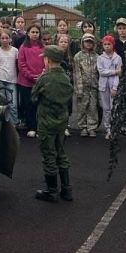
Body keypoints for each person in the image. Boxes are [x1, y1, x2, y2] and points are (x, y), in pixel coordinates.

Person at [31, 45, 74, 202]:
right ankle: (67, 190)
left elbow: (34, 97)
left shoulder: (45, 78)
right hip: (61, 120)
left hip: (46, 120)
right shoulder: (65, 77)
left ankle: (52, 190)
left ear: (48, 60)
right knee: (60, 152)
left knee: (48, 155)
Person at [17, 24, 45, 137]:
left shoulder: (43, 47)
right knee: (29, 105)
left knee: (40, 105)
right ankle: (31, 127)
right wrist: (31, 76)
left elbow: (46, 63)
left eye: (37, 32)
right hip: (26, 82)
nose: (35, 34)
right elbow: (21, 64)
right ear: (28, 33)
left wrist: (42, 74)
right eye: (32, 32)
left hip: (40, 81)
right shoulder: (23, 47)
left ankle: (40, 127)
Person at [73, 33, 100, 137]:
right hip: (82, 86)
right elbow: (77, 73)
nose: (88, 44)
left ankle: (92, 127)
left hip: (94, 86)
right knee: (82, 107)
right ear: (82, 43)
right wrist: (78, 88)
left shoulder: (97, 57)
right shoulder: (78, 56)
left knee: (93, 107)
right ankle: (83, 127)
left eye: (90, 42)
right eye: (86, 42)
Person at [96, 35, 122, 139]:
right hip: (103, 86)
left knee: (113, 107)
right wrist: (114, 71)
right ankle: (108, 129)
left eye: (109, 44)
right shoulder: (100, 58)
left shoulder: (118, 58)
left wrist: (115, 87)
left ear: (113, 45)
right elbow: (101, 72)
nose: (107, 46)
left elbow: (118, 74)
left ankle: (114, 128)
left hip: (112, 86)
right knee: (106, 108)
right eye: (105, 44)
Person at [0, 30, 19, 123]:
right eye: (2, 38)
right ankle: (4, 123)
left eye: (6, 38)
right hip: (0, 78)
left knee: (13, 104)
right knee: (1, 103)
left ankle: (14, 124)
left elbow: (18, 65)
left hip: (12, 79)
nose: (5, 40)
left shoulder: (15, 50)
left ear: (10, 39)